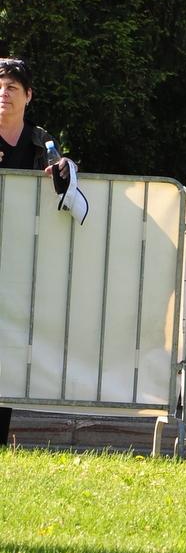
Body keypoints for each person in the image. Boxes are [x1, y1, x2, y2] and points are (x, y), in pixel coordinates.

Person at [0, 57, 70, 446]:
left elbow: (62, 172)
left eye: (12, 87)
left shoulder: (41, 139)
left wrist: (64, 169)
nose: (3, 93)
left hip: (20, 262)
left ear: (28, 95)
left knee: (8, 352)